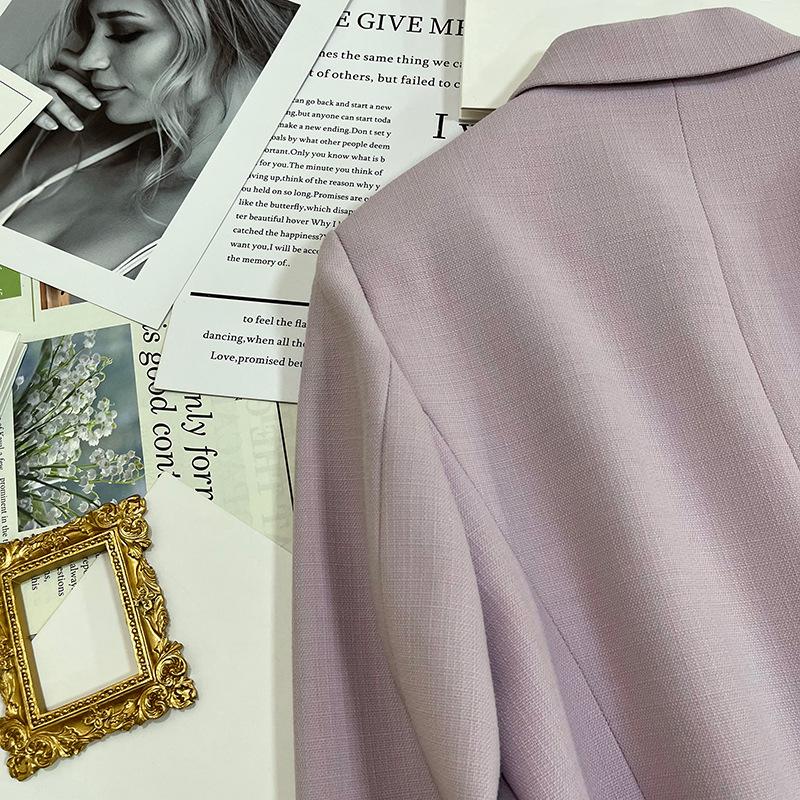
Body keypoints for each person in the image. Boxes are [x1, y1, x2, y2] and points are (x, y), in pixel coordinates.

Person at [0, 0, 298, 288]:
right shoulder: (72, 131)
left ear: (226, 31)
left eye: (125, 32)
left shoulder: (252, 227)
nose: (88, 59)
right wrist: (8, 107)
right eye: (90, 31)